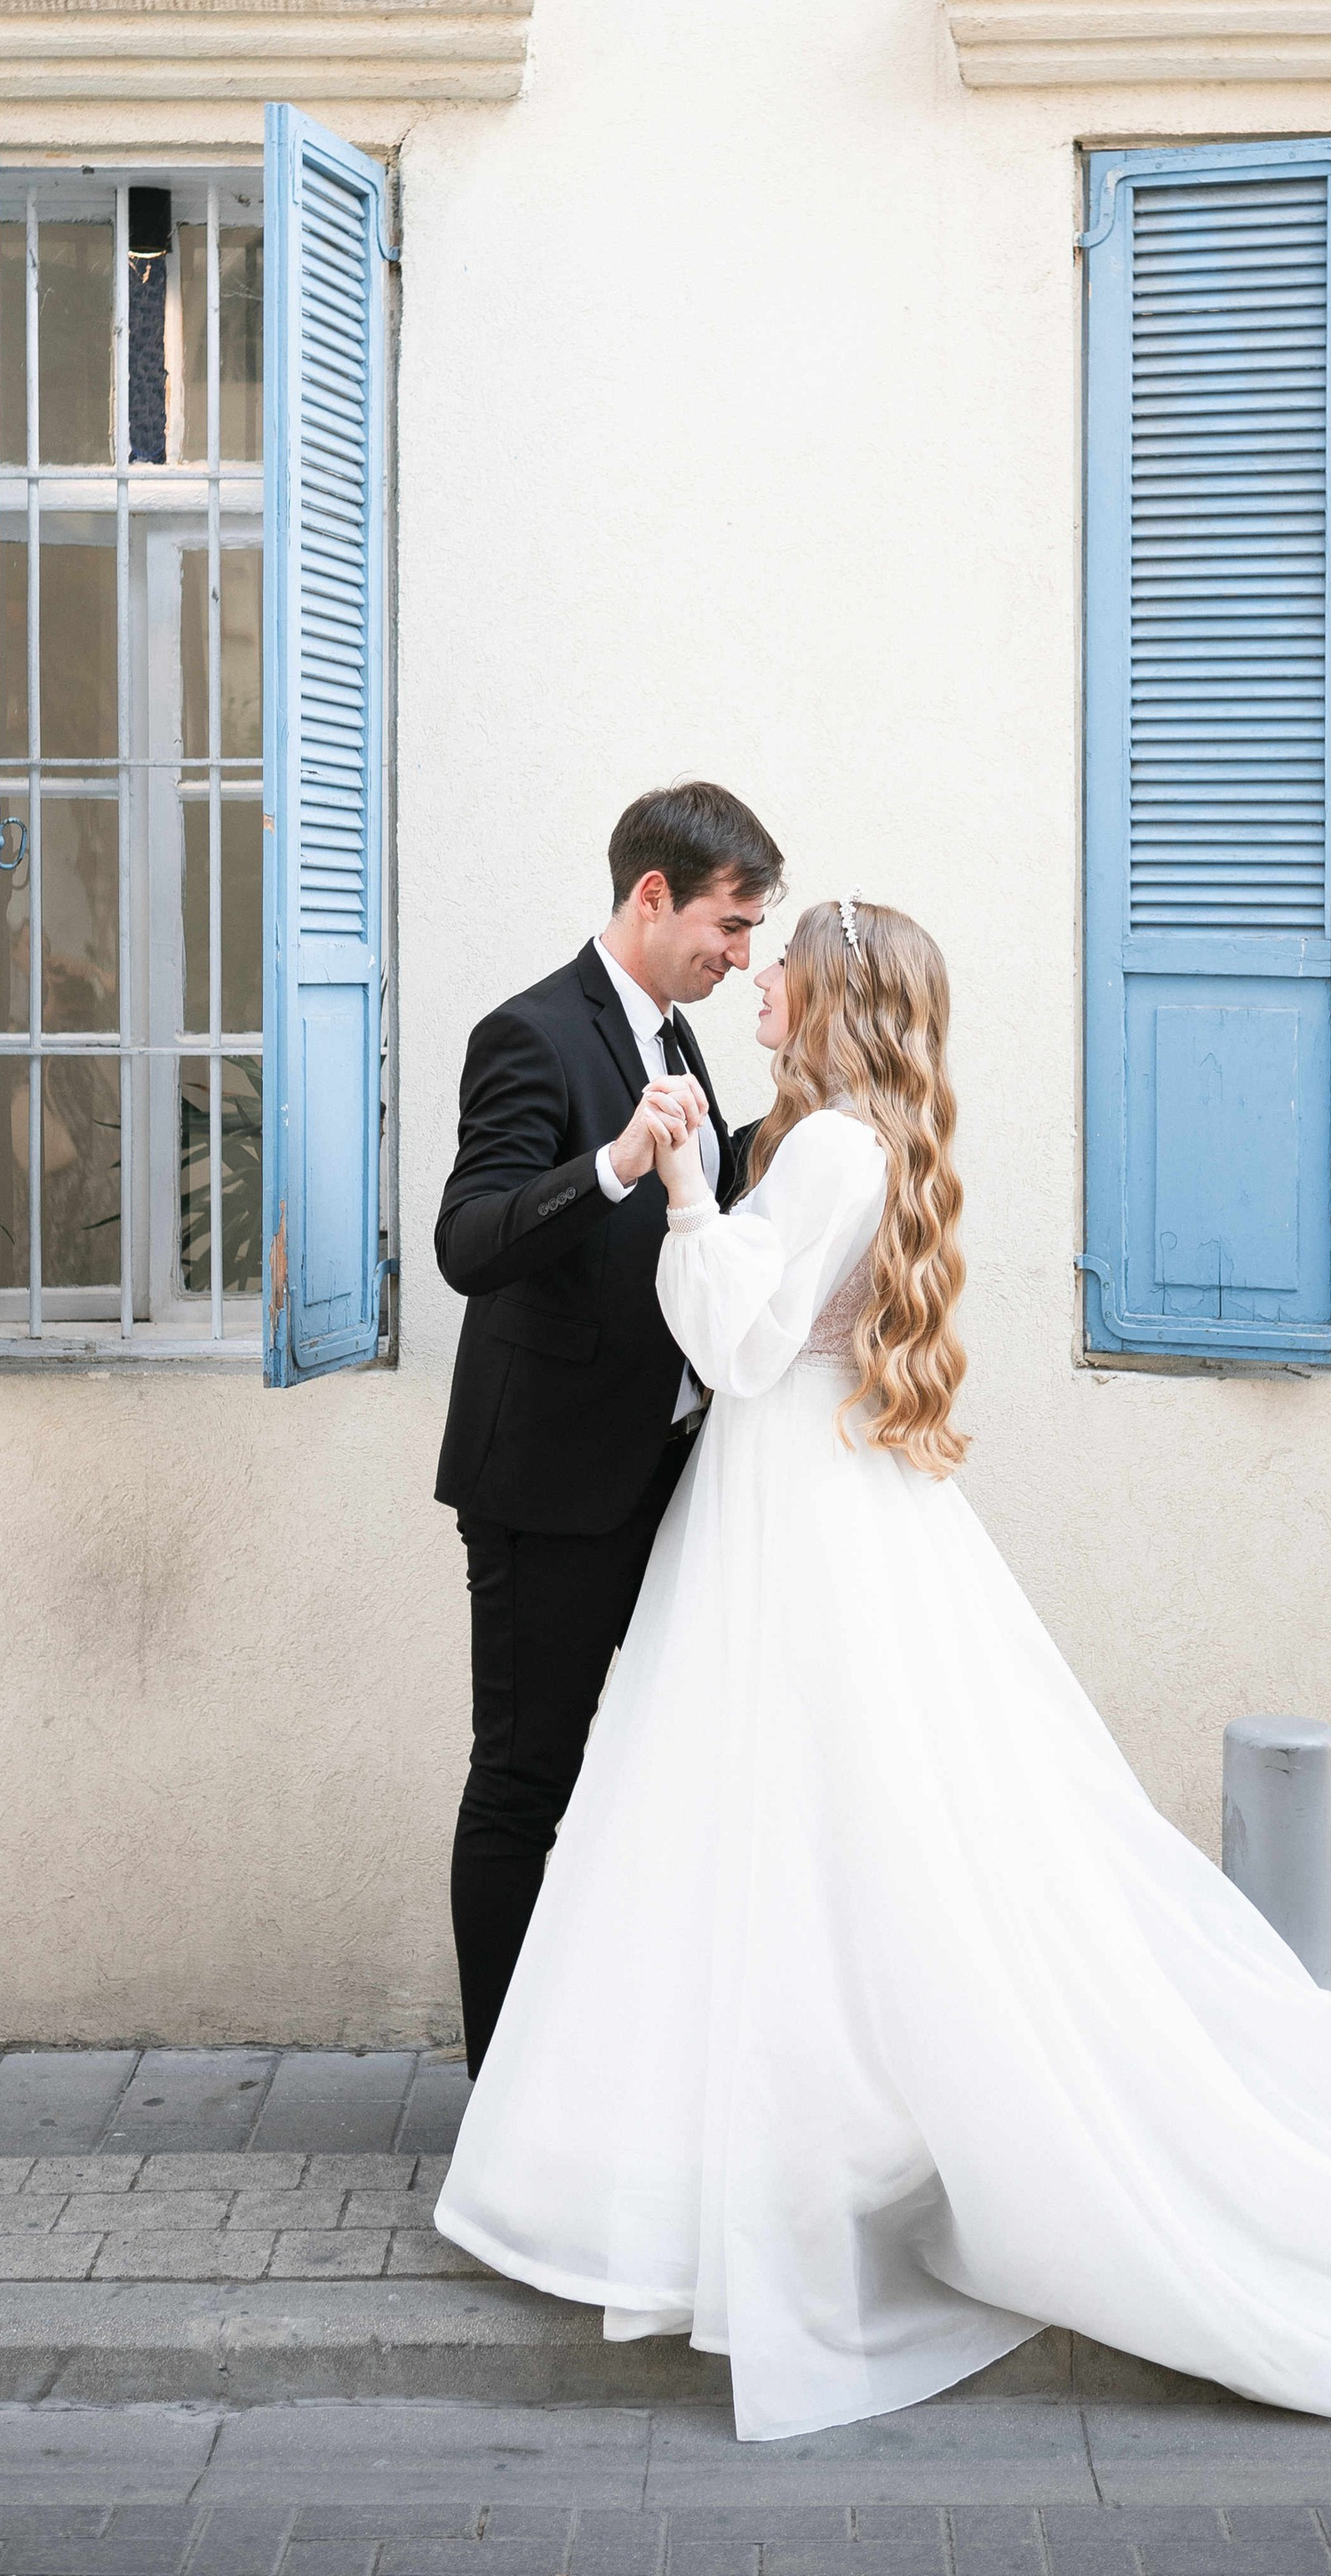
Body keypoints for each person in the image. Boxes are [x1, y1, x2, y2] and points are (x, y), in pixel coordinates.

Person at [435, 895, 1331, 2443]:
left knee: (778, 1820)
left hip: (790, 1509)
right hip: (818, 1501)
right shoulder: (857, 1140)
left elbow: (738, 1348)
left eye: (782, 968)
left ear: (830, 1002)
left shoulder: (821, 1150)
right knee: (839, 1826)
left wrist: (686, 1191)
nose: (754, 981)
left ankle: (763, 2155)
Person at [434, 779, 785, 2079]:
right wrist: (613, 1166)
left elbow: (696, 1200)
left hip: (667, 1471)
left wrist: (802, 1125)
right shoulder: (528, 1032)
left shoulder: (678, 1036)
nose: (741, 954)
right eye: (730, 923)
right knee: (527, 1778)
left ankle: (616, 2070)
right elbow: (469, 1243)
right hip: (552, 1482)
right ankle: (505, 2095)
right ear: (653, 896)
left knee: (664, 1767)